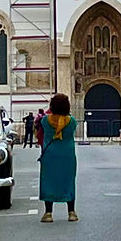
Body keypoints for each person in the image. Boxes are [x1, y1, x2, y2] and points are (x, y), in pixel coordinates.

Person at [38, 92, 78, 223]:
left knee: (48, 181)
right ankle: (71, 212)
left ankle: (48, 213)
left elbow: (40, 130)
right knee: (68, 181)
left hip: (50, 154)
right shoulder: (71, 122)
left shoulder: (46, 120)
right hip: (67, 154)